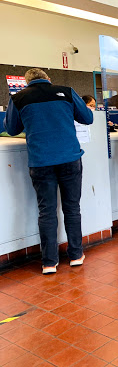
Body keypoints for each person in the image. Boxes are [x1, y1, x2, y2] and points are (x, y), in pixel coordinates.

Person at [3, 68, 93, 274]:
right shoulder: (67, 91)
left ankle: (49, 263)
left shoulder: (19, 98)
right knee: (72, 208)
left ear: (27, 83)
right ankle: (76, 255)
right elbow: (88, 118)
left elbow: (12, 129)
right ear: (48, 80)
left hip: (41, 161)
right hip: (70, 158)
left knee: (46, 211)